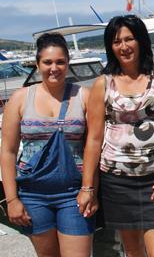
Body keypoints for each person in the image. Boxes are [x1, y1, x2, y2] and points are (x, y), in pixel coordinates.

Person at [77, 15, 154, 257]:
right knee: (134, 252)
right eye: (116, 42)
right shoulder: (102, 84)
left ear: (141, 41)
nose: (123, 46)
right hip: (117, 181)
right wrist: (87, 187)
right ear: (110, 47)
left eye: (129, 39)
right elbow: (94, 139)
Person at [0, 33, 96, 256]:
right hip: (33, 195)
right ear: (37, 64)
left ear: (68, 63)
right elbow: (8, 151)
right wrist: (12, 199)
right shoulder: (20, 98)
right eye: (48, 62)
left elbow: (93, 147)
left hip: (74, 194)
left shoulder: (84, 96)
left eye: (60, 62)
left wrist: (90, 190)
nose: (54, 68)